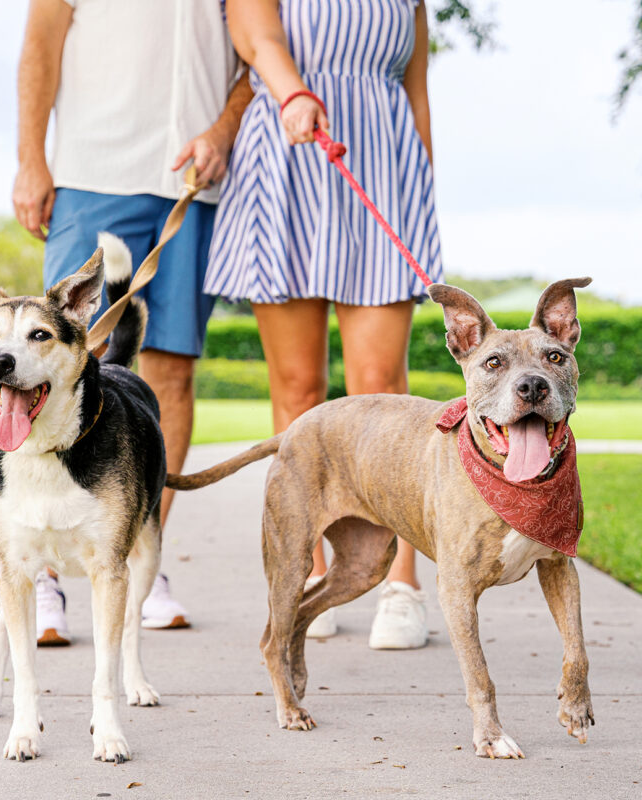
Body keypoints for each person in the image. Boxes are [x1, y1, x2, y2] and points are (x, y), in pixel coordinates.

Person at [12, 0, 253, 644]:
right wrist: (31, 157)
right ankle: (44, 577)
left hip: (192, 186)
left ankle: (142, 558)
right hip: (93, 173)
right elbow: (41, 45)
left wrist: (225, 130)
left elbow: (251, 62)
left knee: (171, 370)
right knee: (62, 365)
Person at [205, 0, 443, 648]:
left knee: (381, 386)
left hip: (381, 163)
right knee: (298, 388)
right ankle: (311, 574)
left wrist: (420, 183)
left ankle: (401, 581)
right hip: (286, 155)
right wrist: (293, 93)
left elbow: (415, 90)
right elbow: (253, 34)